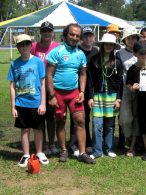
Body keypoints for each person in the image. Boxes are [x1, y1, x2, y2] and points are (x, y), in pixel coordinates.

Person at [46, 23, 95, 164]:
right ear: (66, 34)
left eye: (77, 36)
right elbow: (49, 75)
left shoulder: (80, 54)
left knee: (80, 121)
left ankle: (82, 152)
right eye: (71, 34)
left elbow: (83, 74)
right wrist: (52, 96)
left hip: (74, 93)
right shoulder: (57, 51)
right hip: (58, 94)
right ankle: (63, 150)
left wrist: (82, 92)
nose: (74, 37)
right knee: (60, 122)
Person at [8, 34, 49, 167]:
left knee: (38, 129)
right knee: (24, 129)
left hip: (36, 103)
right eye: (21, 45)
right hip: (21, 103)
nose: (24, 47)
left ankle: (39, 152)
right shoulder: (14, 64)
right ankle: (25, 154)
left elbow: (43, 84)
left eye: (27, 44)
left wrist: (43, 103)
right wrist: (13, 106)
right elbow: (12, 86)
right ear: (18, 47)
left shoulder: (38, 62)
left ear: (31, 45)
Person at [87, 33, 122, 159]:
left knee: (110, 124)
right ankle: (97, 150)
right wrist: (90, 97)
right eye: (106, 44)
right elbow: (90, 80)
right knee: (97, 123)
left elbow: (119, 82)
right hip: (97, 95)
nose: (108, 46)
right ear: (102, 45)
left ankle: (109, 148)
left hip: (111, 96)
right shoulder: (94, 60)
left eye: (111, 44)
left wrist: (118, 98)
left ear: (113, 46)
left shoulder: (117, 62)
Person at [31, 21, 60, 156]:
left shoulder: (57, 47)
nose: (47, 33)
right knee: (39, 116)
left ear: (52, 32)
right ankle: (41, 145)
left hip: (52, 87)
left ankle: (52, 144)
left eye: (49, 31)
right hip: (37, 87)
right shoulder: (33, 47)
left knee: (51, 117)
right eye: (44, 31)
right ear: (40, 32)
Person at [69, 26, 99, 156]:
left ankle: (87, 142)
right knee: (75, 117)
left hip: (91, 90)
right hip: (77, 89)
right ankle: (73, 143)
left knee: (86, 117)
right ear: (81, 38)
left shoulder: (97, 51)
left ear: (94, 37)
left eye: (90, 36)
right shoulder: (77, 50)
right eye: (85, 36)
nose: (88, 38)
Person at [117, 26, 140, 156]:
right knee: (125, 118)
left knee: (137, 116)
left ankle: (134, 143)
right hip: (126, 89)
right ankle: (128, 137)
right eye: (129, 38)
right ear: (124, 40)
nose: (131, 40)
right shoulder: (119, 53)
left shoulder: (141, 51)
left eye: (133, 38)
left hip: (141, 89)